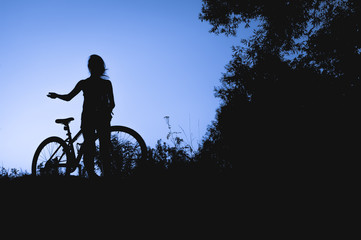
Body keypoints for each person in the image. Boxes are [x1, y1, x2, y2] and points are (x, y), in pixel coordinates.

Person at [47, 54, 115, 177]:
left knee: (94, 147)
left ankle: (99, 174)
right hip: (97, 118)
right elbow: (112, 104)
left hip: (93, 118)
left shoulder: (89, 83)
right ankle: (97, 175)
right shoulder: (103, 84)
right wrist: (57, 95)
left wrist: (57, 95)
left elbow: (68, 97)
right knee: (96, 147)